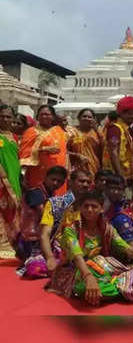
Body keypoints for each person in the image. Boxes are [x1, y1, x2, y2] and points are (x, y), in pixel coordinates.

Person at [47, 190, 133, 306]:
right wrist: (89, 277)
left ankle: (120, 289)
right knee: (88, 286)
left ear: (101, 209)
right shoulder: (71, 230)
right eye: (86, 206)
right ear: (80, 208)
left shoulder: (107, 229)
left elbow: (127, 249)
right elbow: (78, 257)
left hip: (103, 270)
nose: (89, 210)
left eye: (94, 206)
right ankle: (129, 289)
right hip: (78, 272)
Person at [39, 170, 94, 276]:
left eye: (88, 182)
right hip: (60, 251)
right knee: (37, 268)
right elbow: (44, 234)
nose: (86, 185)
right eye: (82, 181)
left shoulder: (91, 205)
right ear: (71, 182)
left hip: (87, 250)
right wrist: (50, 258)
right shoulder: (55, 203)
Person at [15, 166, 68, 275]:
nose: (55, 183)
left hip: (43, 237)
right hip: (31, 241)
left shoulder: (51, 196)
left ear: (63, 183)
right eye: (53, 179)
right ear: (45, 178)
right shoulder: (36, 193)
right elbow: (44, 215)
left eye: (59, 181)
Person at [19, 104, 68, 191]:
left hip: (58, 173)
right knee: (39, 198)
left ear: (53, 117)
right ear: (37, 117)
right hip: (38, 173)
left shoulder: (59, 131)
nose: (44, 116)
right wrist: (43, 149)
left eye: (47, 114)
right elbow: (23, 153)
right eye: (41, 114)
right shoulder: (30, 132)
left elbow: (64, 153)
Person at [102, 96, 133, 185]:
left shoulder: (126, 129)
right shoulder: (115, 129)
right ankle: (65, 199)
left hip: (124, 174)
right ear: (120, 113)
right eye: (129, 113)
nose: (132, 116)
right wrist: (120, 175)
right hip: (115, 176)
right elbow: (113, 152)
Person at [0, 104, 21, 253]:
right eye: (2, 116)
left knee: (13, 209)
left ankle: (12, 241)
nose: (5, 119)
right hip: (1, 179)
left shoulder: (14, 137)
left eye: (8, 116)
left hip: (14, 177)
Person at [67, 108, 103, 176]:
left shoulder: (98, 133)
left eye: (89, 117)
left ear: (93, 119)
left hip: (95, 168)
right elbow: (64, 150)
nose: (87, 118)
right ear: (78, 118)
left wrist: (96, 129)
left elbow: (104, 150)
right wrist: (77, 155)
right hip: (76, 168)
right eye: (84, 116)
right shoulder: (71, 132)